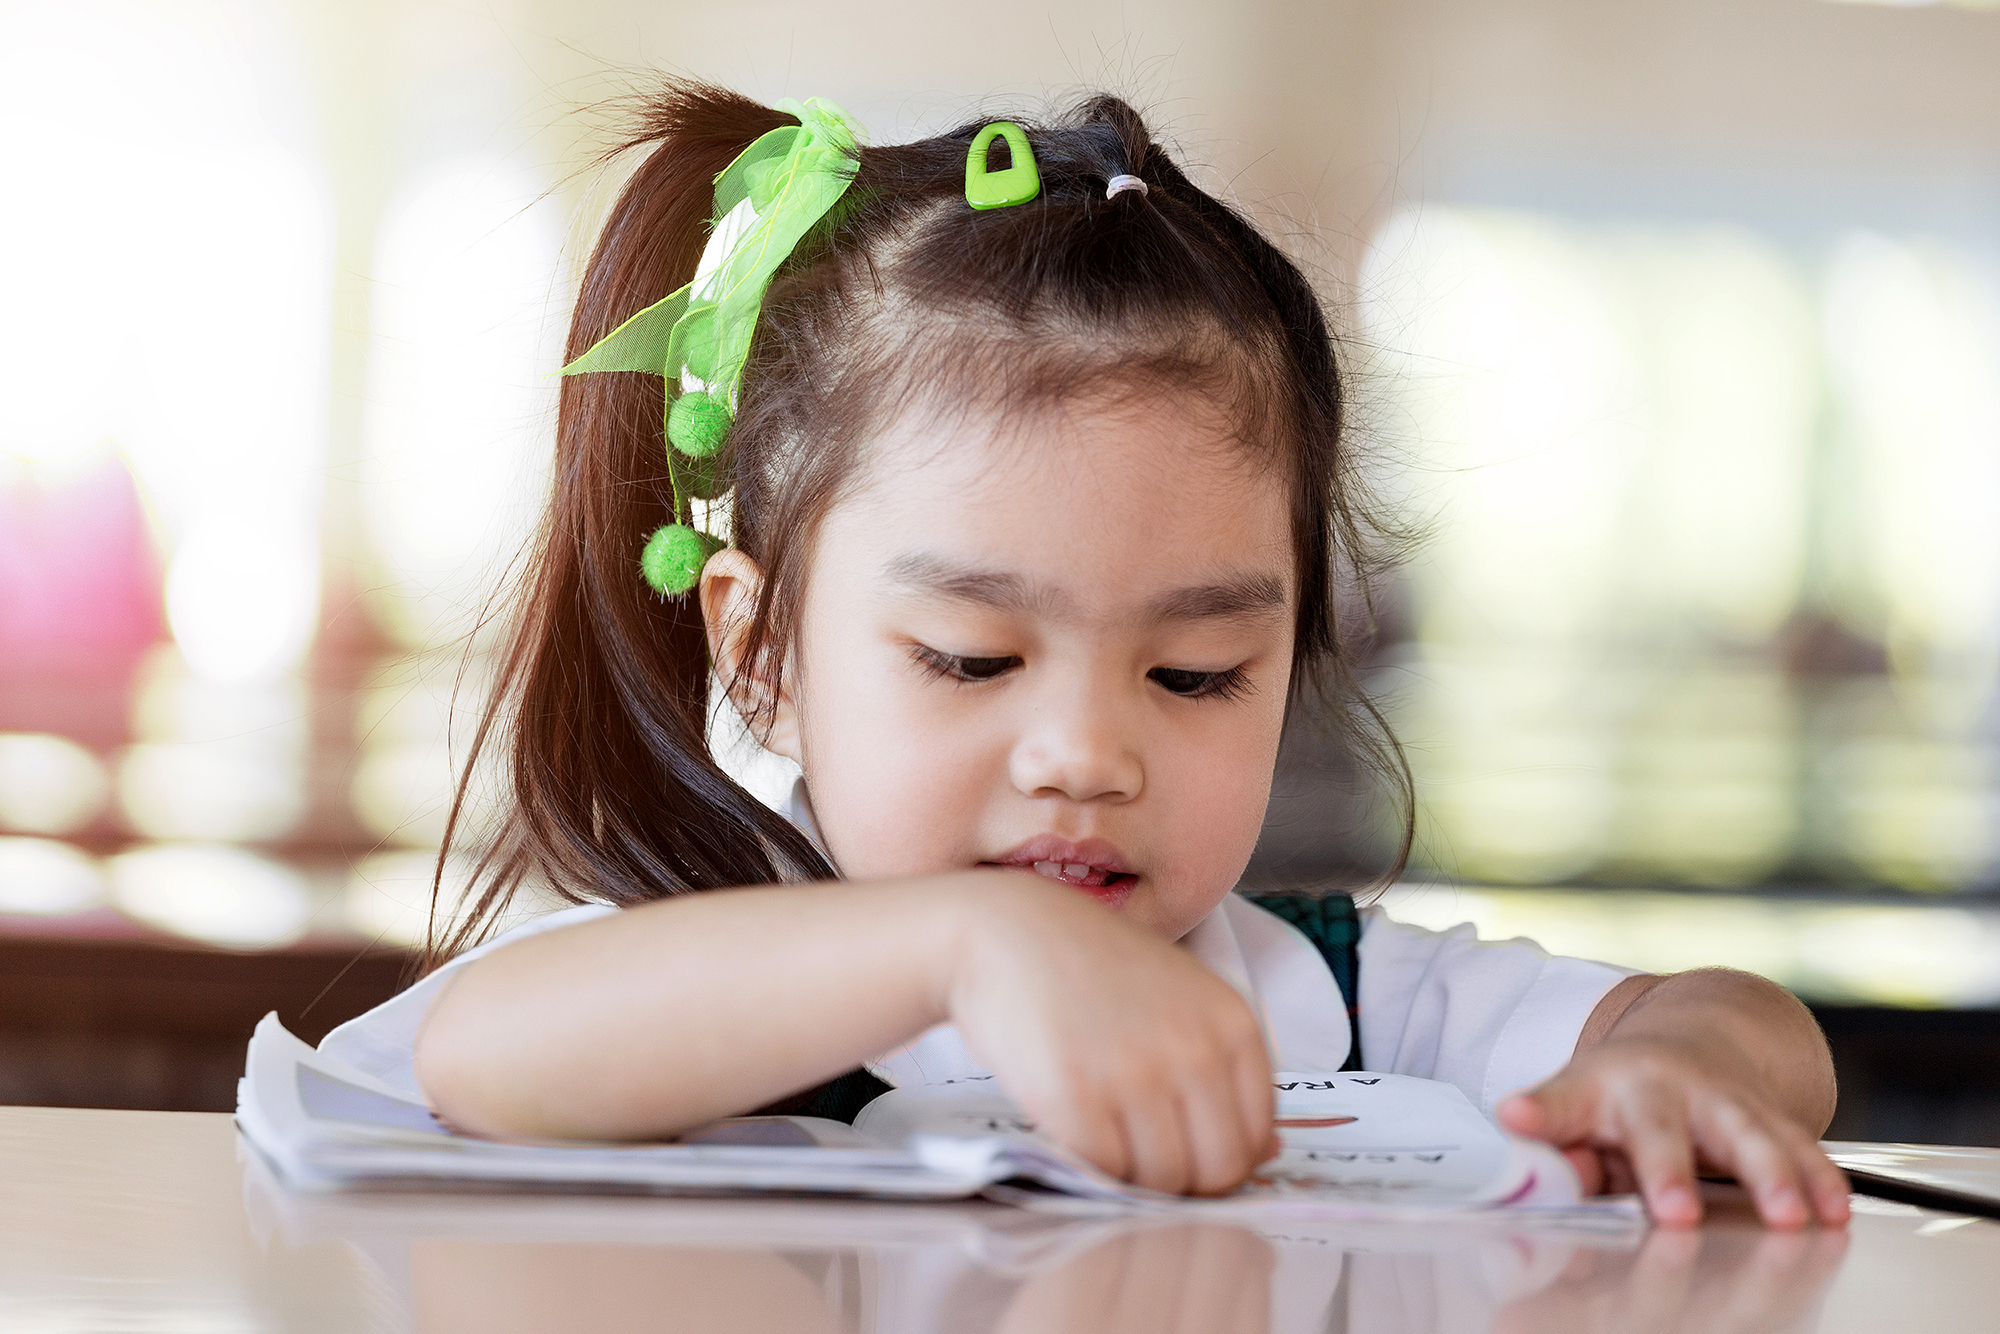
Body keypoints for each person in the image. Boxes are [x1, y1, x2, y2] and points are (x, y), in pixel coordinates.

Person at [321, 82, 1848, 1228]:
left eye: (1195, 674)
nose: (1087, 753)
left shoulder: (1339, 995)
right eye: (974, 657)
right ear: (761, 643)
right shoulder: (712, 970)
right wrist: (963, 945)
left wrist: (1688, 1066)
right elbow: (484, 1050)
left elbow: (1739, 1019)